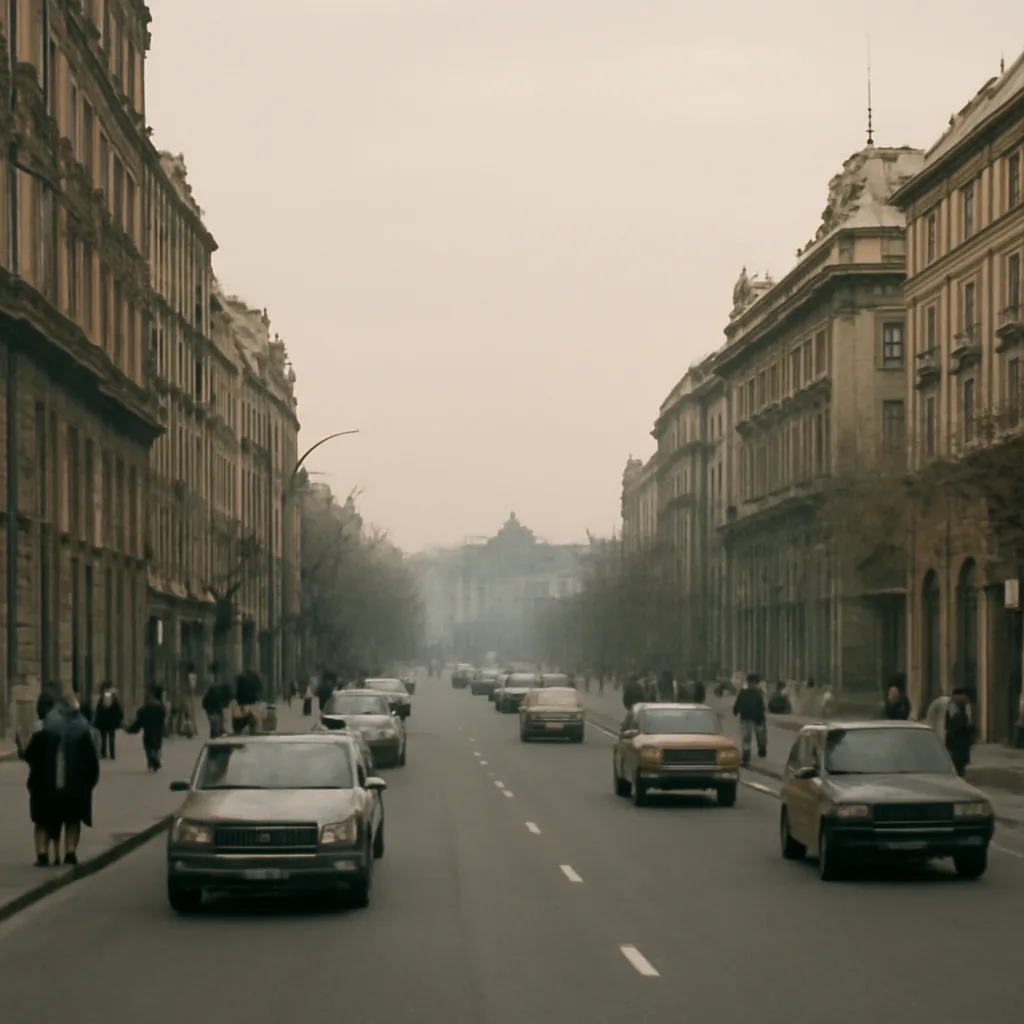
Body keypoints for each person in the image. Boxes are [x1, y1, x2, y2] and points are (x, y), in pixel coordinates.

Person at [16, 692, 101, 866]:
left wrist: (21, 745)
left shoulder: (42, 730)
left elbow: (30, 756)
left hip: (45, 789)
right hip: (76, 789)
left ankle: (42, 853)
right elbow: (92, 763)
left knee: (42, 822)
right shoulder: (83, 730)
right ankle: (70, 852)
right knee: (72, 820)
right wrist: (88, 785)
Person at [126, 690, 167, 771]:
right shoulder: (159, 709)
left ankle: (152, 761)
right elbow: (163, 719)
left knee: (150, 748)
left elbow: (138, 723)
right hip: (156, 733)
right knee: (155, 748)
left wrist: (129, 729)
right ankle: (154, 760)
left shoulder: (144, 710)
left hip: (149, 733)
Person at [733, 673, 767, 767]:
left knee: (746, 739)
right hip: (757, 718)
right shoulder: (759, 693)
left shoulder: (743, 692)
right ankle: (761, 750)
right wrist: (761, 717)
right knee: (760, 735)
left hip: (746, 718)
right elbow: (762, 707)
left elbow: (738, 702)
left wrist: (735, 711)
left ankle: (746, 758)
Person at [945, 687, 974, 778]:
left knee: (962, 760)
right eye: (961, 695)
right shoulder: (952, 707)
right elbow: (954, 722)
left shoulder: (965, 706)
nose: (964, 697)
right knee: (957, 760)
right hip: (956, 738)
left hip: (963, 739)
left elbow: (969, 723)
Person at [93, 681, 124, 759]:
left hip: (103, 722)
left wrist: (97, 720)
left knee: (103, 738)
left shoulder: (102, 698)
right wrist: (120, 718)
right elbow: (118, 709)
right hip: (111, 722)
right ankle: (112, 754)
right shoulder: (113, 698)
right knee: (111, 738)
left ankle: (103, 753)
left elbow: (98, 710)